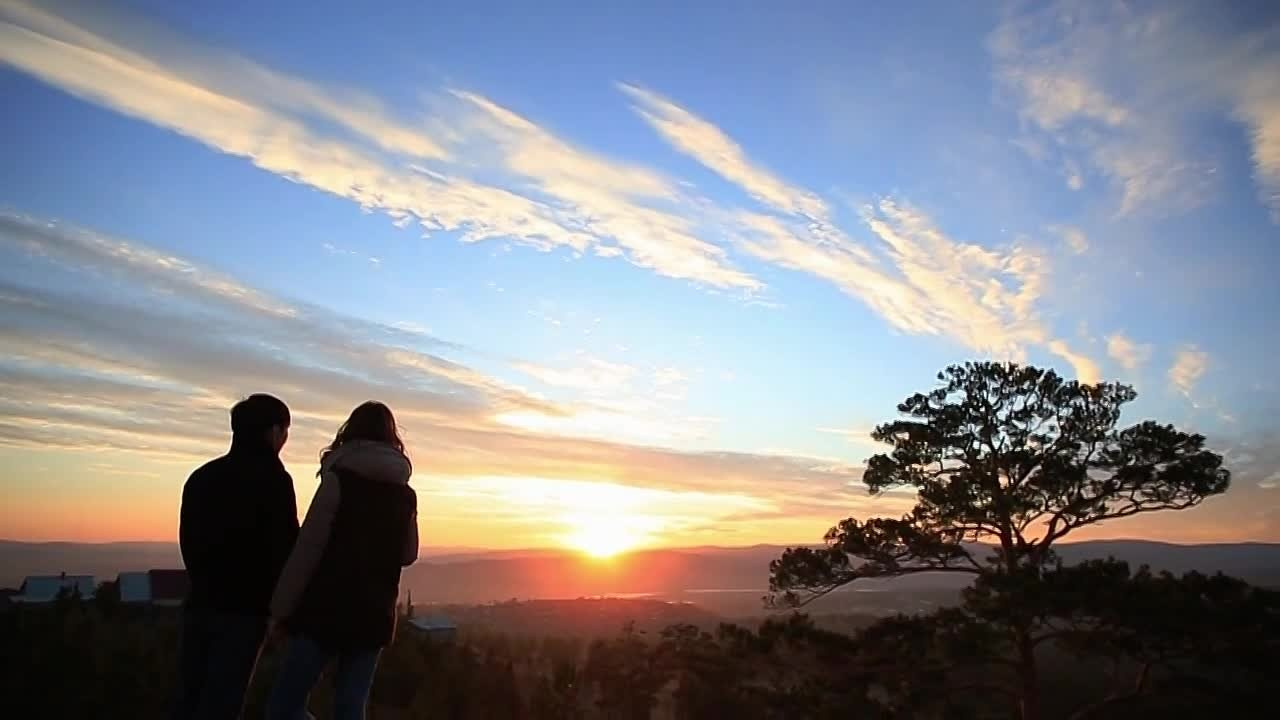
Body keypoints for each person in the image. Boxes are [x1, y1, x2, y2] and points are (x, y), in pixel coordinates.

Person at [266, 401, 419, 720]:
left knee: (284, 706)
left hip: (323, 612)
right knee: (350, 708)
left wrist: (280, 611)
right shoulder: (405, 494)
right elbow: (408, 554)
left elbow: (307, 551)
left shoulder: (338, 482)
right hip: (373, 615)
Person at [173, 394, 299, 720]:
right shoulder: (275, 481)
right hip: (246, 611)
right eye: (285, 432)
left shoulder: (202, 478)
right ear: (274, 432)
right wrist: (282, 609)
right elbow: (285, 549)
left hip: (200, 604)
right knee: (224, 703)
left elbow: (189, 543)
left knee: (190, 699)